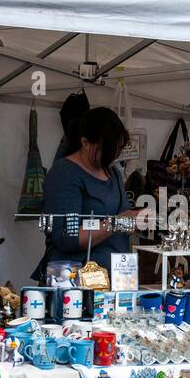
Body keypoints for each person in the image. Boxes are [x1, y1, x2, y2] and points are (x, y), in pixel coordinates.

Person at [37, 107, 139, 275]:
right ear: (85, 142)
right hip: (75, 280)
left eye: (119, 148)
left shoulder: (112, 172)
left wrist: (139, 217)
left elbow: (123, 215)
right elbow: (68, 237)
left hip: (118, 275)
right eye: (108, 149)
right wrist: (118, 222)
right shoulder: (64, 174)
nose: (114, 154)